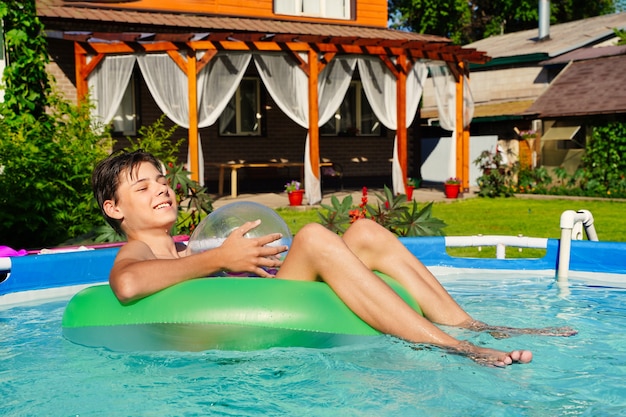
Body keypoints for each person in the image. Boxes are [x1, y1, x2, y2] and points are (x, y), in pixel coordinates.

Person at [92, 150, 576, 367]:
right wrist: (221, 256)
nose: (161, 189)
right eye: (143, 186)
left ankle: (469, 324)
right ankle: (454, 347)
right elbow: (129, 285)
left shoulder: (184, 245)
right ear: (114, 209)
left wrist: (233, 259)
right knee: (317, 239)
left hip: (264, 304)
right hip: (237, 334)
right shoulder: (140, 248)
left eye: (161, 180)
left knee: (363, 229)